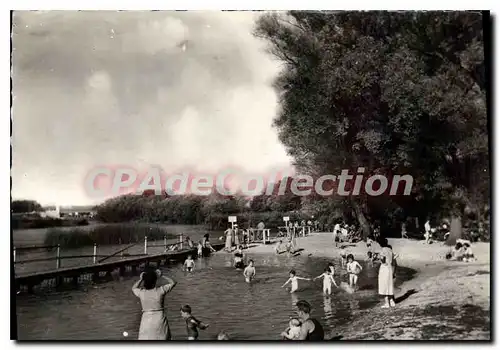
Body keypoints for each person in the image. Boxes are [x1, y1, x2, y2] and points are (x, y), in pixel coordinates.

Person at [132, 267, 177, 340]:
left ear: (145, 282)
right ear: (155, 281)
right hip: (159, 318)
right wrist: (161, 275)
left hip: (146, 318)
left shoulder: (142, 292)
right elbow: (173, 282)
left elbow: (133, 288)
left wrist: (141, 279)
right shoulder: (160, 291)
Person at [378, 238, 395, 308]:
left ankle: (386, 303)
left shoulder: (382, 250)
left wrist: (379, 258)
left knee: (384, 285)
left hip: (384, 268)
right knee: (389, 284)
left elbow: (383, 260)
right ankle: (392, 301)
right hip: (390, 268)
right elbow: (393, 257)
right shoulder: (390, 250)